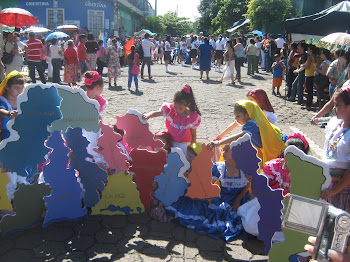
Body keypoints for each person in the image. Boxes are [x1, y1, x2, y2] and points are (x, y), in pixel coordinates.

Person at [165, 143, 251, 241]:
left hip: (239, 198)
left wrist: (238, 200)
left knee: (235, 217)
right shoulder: (220, 167)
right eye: (223, 150)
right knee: (210, 213)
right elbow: (211, 182)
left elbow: (247, 186)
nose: (223, 153)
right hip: (223, 197)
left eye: (227, 151)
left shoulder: (244, 169)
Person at [209, 100, 285, 166]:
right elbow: (234, 127)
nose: (236, 118)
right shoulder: (255, 119)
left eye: (238, 116)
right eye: (235, 116)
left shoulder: (252, 124)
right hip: (278, 144)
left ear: (247, 115)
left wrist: (219, 142)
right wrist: (221, 136)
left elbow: (239, 136)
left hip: (280, 147)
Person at [143, 85, 201, 155]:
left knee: (184, 163)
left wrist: (193, 147)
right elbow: (158, 113)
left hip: (185, 145)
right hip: (171, 143)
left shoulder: (192, 117)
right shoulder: (171, 111)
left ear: (187, 105)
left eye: (180, 108)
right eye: (175, 106)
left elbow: (193, 133)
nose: (177, 110)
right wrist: (148, 115)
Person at [320, 86, 350, 213]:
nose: (334, 109)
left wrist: (335, 190)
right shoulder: (334, 123)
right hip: (327, 184)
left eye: (338, 105)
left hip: (343, 190)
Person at [0, 71, 24, 140]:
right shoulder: (2, 100)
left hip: (21, 135)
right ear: (7, 87)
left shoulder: (22, 101)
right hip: (6, 136)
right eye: (16, 88)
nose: (19, 91)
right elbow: (1, 111)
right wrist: (8, 113)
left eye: (21, 88)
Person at [302, 44, 317, 110]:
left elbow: (307, 66)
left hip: (309, 75)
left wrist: (302, 66)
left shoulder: (310, 57)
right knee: (310, 90)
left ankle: (308, 104)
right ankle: (309, 103)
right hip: (312, 74)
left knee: (309, 90)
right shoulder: (315, 57)